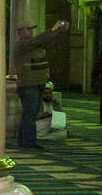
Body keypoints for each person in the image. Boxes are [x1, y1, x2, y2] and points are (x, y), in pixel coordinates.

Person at [12, 20, 69, 149]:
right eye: (28, 29)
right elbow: (38, 40)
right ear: (20, 32)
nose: (31, 31)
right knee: (30, 114)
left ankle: (25, 141)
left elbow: (46, 40)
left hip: (37, 83)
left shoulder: (33, 45)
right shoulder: (21, 46)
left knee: (31, 113)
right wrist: (53, 29)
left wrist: (60, 31)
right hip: (28, 85)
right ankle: (28, 142)